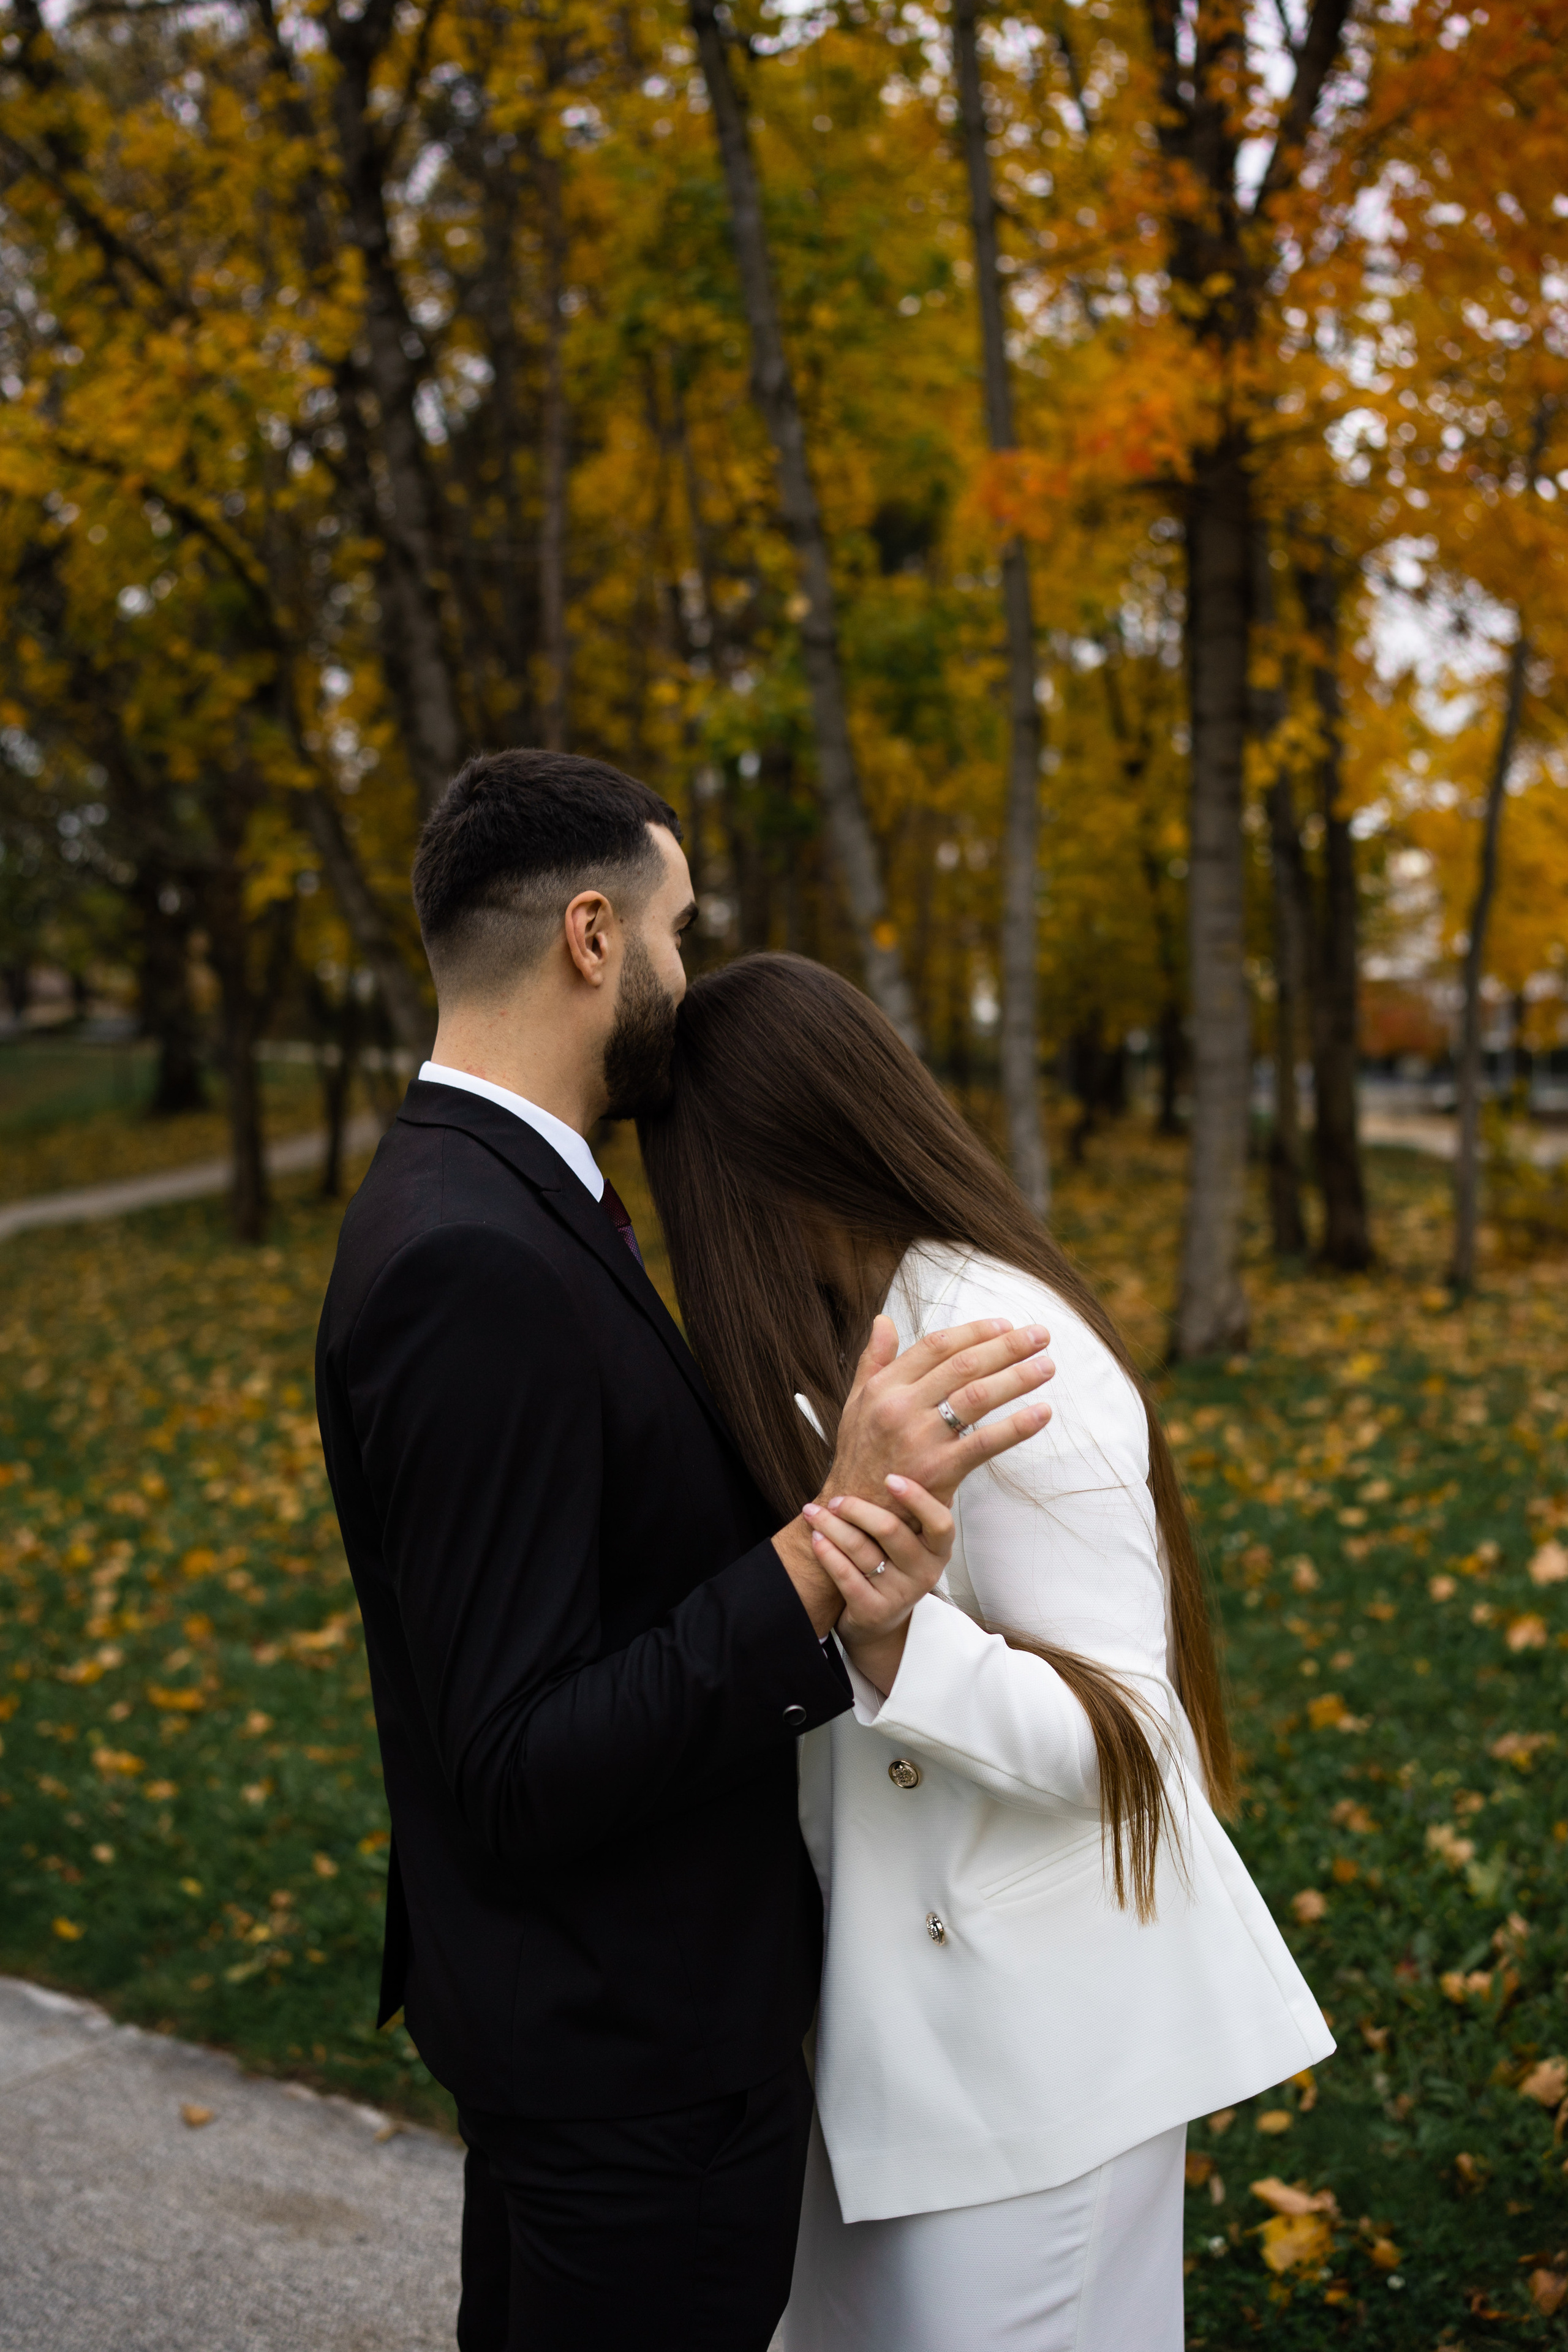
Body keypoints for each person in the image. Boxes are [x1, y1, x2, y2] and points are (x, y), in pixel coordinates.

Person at [313, 751, 1056, 2352]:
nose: (686, 970)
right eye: (680, 929)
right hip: (625, 2067)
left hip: (597, 2033)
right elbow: (513, 1761)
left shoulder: (511, 1197)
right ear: (594, 935)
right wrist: (825, 1546)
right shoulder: (471, 1255)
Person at [638, 951, 1336, 2352]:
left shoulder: (997, 1352)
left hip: (1033, 2078)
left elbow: (1130, 1738)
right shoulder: (868, 1328)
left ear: (749, 1166)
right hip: (905, 2048)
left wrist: (898, 1634)